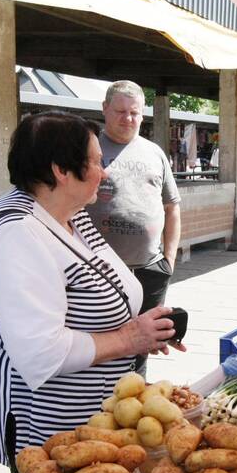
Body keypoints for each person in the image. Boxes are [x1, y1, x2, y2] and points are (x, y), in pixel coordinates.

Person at [0, 111, 183, 472]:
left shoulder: (71, 214)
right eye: (97, 162)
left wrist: (144, 329)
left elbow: (104, 288)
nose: (105, 171)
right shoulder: (16, 235)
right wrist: (128, 338)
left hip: (95, 414)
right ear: (60, 171)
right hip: (46, 425)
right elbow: (41, 353)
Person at [86, 80, 181, 376]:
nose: (127, 118)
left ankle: (134, 393)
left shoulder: (155, 152)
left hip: (150, 268)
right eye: (120, 111)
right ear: (105, 109)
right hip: (100, 270)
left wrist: (169, 259)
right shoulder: (89, 148)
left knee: (145, 342)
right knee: (104, 340)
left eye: (134, 112)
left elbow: (172, 206)